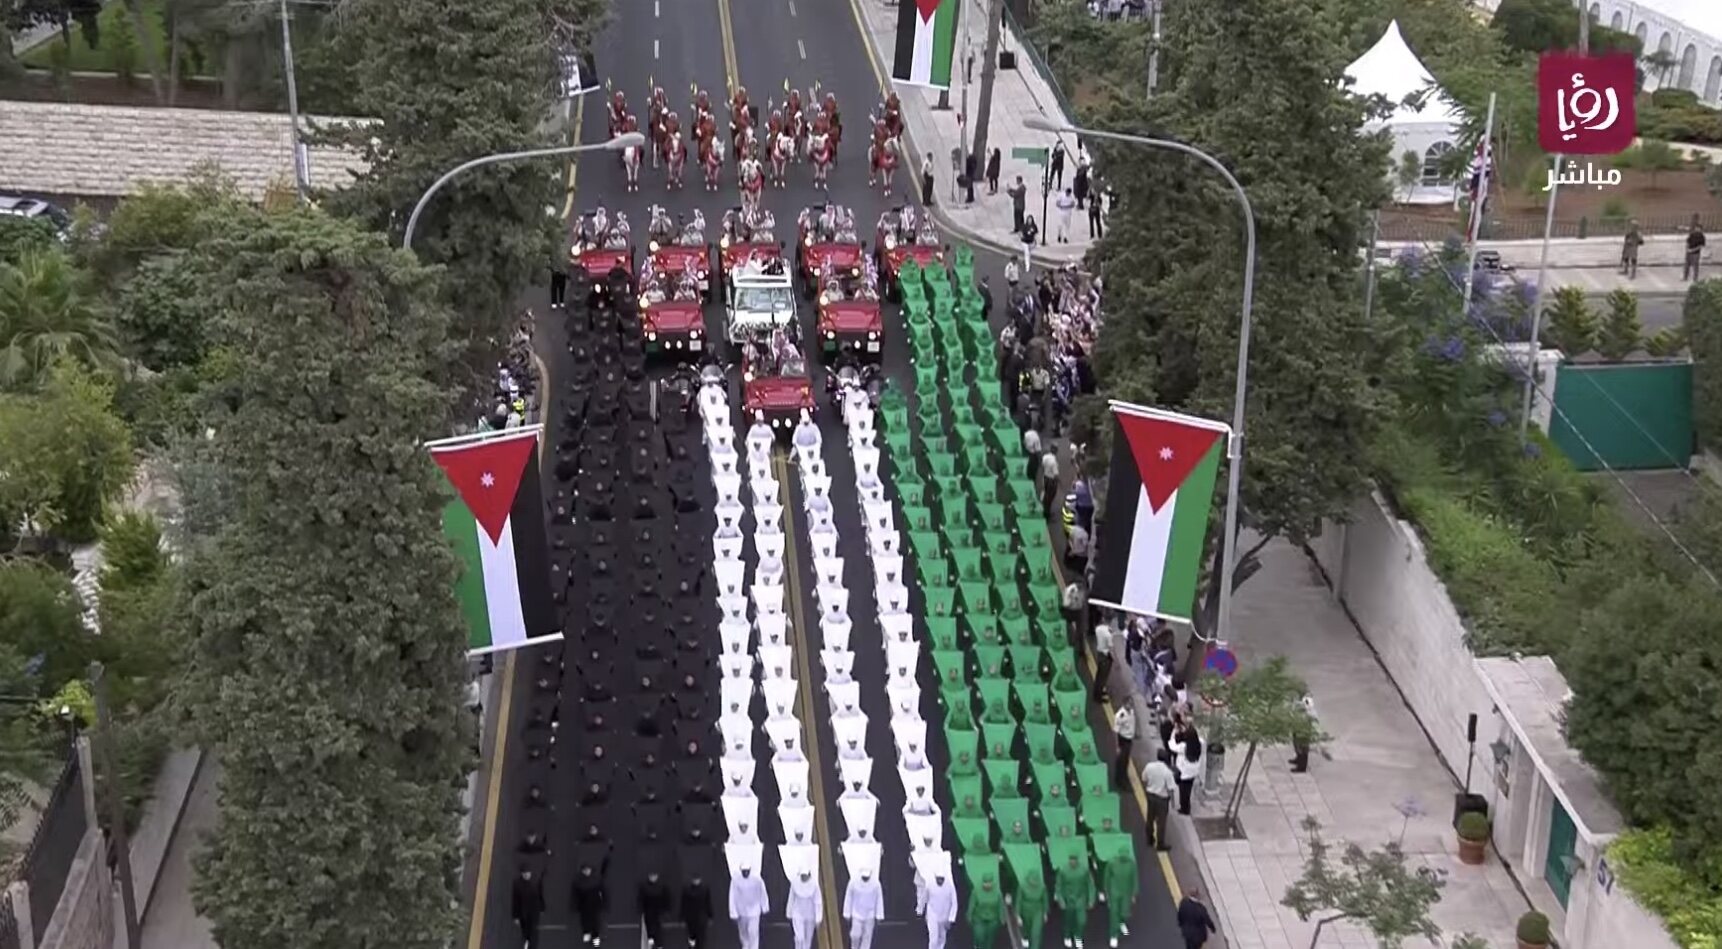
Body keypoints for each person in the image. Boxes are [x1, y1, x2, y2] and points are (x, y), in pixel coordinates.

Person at [1054, 850, 1094, 949]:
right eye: (1071, 859)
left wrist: (1091, 899)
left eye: (1074, 859)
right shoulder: (1063, 870)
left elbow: (1090, 885)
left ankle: (1078, 937)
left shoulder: (1084, 870)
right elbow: (1059, 886)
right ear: (1069, 860)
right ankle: (1067, 936)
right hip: (1068, 899)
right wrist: (1061, 900)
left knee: (1082, 921)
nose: (1073, 861)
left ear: (1077, 860)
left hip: (1081, 898)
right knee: (1069, 920)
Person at [843, 866, 885, 949]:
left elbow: (879, 899)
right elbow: (848, 897)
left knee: (867, 937)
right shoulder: (853, 882)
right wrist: (847, 913)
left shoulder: (876, 884)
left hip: (870, 914)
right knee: (855, 934)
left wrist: (879, 915)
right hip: (856, 913)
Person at [1141, 749, 1176, 850]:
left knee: (1150, 818)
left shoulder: (1149, 766)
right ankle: (1160, 844)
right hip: (1162, 799)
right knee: (1161, 822)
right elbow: (1170, 789)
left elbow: (1144, 779)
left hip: (1150, 795)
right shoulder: (1167, 772)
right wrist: (1173, 803)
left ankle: (1149, 839)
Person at [729, 863, 769, 949]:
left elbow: (763, 893)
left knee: (753, 932)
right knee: (743, 934)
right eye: (744, 871)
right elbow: (732, 896)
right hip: (741, 911)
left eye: (747, 871)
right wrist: (733, 912)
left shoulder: (757, 879)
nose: (745, 873)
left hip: (754, 911)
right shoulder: (736, 880)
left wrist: (764, 906)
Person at [1101, 851, 1136, 948]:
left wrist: (1133, 893)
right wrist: (1106, 892)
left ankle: (1122, 922)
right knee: (1114, 914)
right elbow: (1107, 878)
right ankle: (1113, 936)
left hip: (1126, 893)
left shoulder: (1131, 864)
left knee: (1125, 912)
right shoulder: (1112, 863)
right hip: (1114, 893)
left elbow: (1134, 878)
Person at [922, 867, 959, 949]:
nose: (940, 881)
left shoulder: (950, 885)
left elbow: (954, 903)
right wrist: (925, 914)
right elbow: (925, 899)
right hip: (932, 915)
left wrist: (951, 919)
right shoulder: (929, 884)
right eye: (938, 879)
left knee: (942, 938)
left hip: (944, 916)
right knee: (933, 939)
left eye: (942, 879)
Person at [681, 862, 715, 948]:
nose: (696, 881)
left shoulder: (704, 889)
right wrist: (682, 916)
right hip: (692, 918)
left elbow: (708, 902)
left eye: (697, 879)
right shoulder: (687, 890)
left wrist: (710, 915)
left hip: (701, 918)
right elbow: (684, 904)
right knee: (692, 937)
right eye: (695, 879)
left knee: (700, 939)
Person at [1171, 726, 1203, 815]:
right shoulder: (1198, 744)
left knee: (1183, 792)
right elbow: (1201, 739)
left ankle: (1184, 809)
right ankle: (1187, 808)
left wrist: (1173, 735)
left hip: (1184, 773)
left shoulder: (1183, 747)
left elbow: (1172, 746)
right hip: (1193, 773)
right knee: (1188, 791)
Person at [969, 869, 1006, 948]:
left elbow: (1001, 905)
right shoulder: (976, 891)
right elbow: (972, 904)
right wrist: (969, 915)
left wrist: (1002, 917)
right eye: (985, 883)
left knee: (990, 939)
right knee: (980, 936)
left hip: (993, 919)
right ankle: (978, 945)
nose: (987, 885)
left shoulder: (997, 893)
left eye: (989, 883)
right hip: (979, 918)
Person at [787, 869, 822, 949]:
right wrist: (789, 913)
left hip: (810, 915)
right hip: (797, 913)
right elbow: (791, 898)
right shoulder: (795, 883)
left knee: (808, 939)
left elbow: (818, 902)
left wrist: (818, 918)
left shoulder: (814, 885)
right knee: (799, 937)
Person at [512, 868, 545, 948]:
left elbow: (540, 895)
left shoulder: (535, 882)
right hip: (524, 911)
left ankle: (530, 943)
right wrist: (516, 916)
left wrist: (542, 907)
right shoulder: (517, 884)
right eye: (525, 873)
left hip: (533, 911)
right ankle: (527, 940)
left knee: (533, 929)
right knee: (525, 928)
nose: (527, 875)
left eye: (528, 873)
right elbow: (516, 900)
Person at [1017, 870, 1050, 949]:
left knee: (1036, 932)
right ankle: (1025, 937)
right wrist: (1018, 915)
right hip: (1025, 910)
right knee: (1027, 928)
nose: (1034, 883)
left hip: (1038, 910)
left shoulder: (1042, 887)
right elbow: (1018, 901)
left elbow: (1045, 900)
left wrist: (1045, 912)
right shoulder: (1022, 886)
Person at [639, 869, 671, 948]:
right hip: (649, 912)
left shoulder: (663, 886)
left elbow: (667, 899)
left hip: (659, 913)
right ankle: (652, 943)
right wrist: (641, 909)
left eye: (654, 876)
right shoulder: (644, 887)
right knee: (650, 931)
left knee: (658, 932)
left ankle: (658, 945)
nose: (653, 877)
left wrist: (666, 910)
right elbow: (641, 899)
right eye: (651, 876)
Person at [1290, 692, 1317, 773]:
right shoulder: (1300, 701)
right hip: (1298, 725)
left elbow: (1309, 712)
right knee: (1297, 745)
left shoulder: (1307, 701)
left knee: (1302, 747)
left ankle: (1302, 767)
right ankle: (1298, 759)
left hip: (1303, 728)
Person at [1111, 703, 1137, 789]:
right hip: (1123, 740)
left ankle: (1124, 776)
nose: (1130, 707)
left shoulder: (1131, 711)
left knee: (1125, 760)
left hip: (1129, 739)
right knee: (1121, 761)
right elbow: (1115, 732)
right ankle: (1120, 781)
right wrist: (1117, 746)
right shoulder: (1120, 716)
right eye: (1129, 705)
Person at [1091, 619, 1114, 704]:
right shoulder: (1108, 635)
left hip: (1099, 653)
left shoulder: (1098, 628)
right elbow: (1111, 648)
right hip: (1105, 655)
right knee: (1103, 677)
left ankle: (1097, 691)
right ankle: (1098, 696)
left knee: (1098, 675)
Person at [1040, 447, 1060, 518]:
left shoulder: (1045, 457)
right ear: (1056, 451)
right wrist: (1059, 482)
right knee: (1050, 496)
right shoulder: (1053, 462)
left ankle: (1045, 509)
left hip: (1046, 477)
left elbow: (1042, 466)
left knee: (1045, 493)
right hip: (1051, 480)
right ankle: (1047, 513)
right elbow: (1056, 475)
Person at [1687, 216, 1707, 281]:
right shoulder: (1692, 235)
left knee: (1695, 266)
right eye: (1696, 228)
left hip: (1696, 253)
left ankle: (1695, 278)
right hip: (1689, 251)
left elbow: (1701, 246)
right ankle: (1685, 277)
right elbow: (1688, 241)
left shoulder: (1702, 237)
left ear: (1700, 229)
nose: (1697, 230)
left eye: (1698, 229)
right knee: (1687, 265)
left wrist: (1693, 250)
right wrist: (1687, 249)